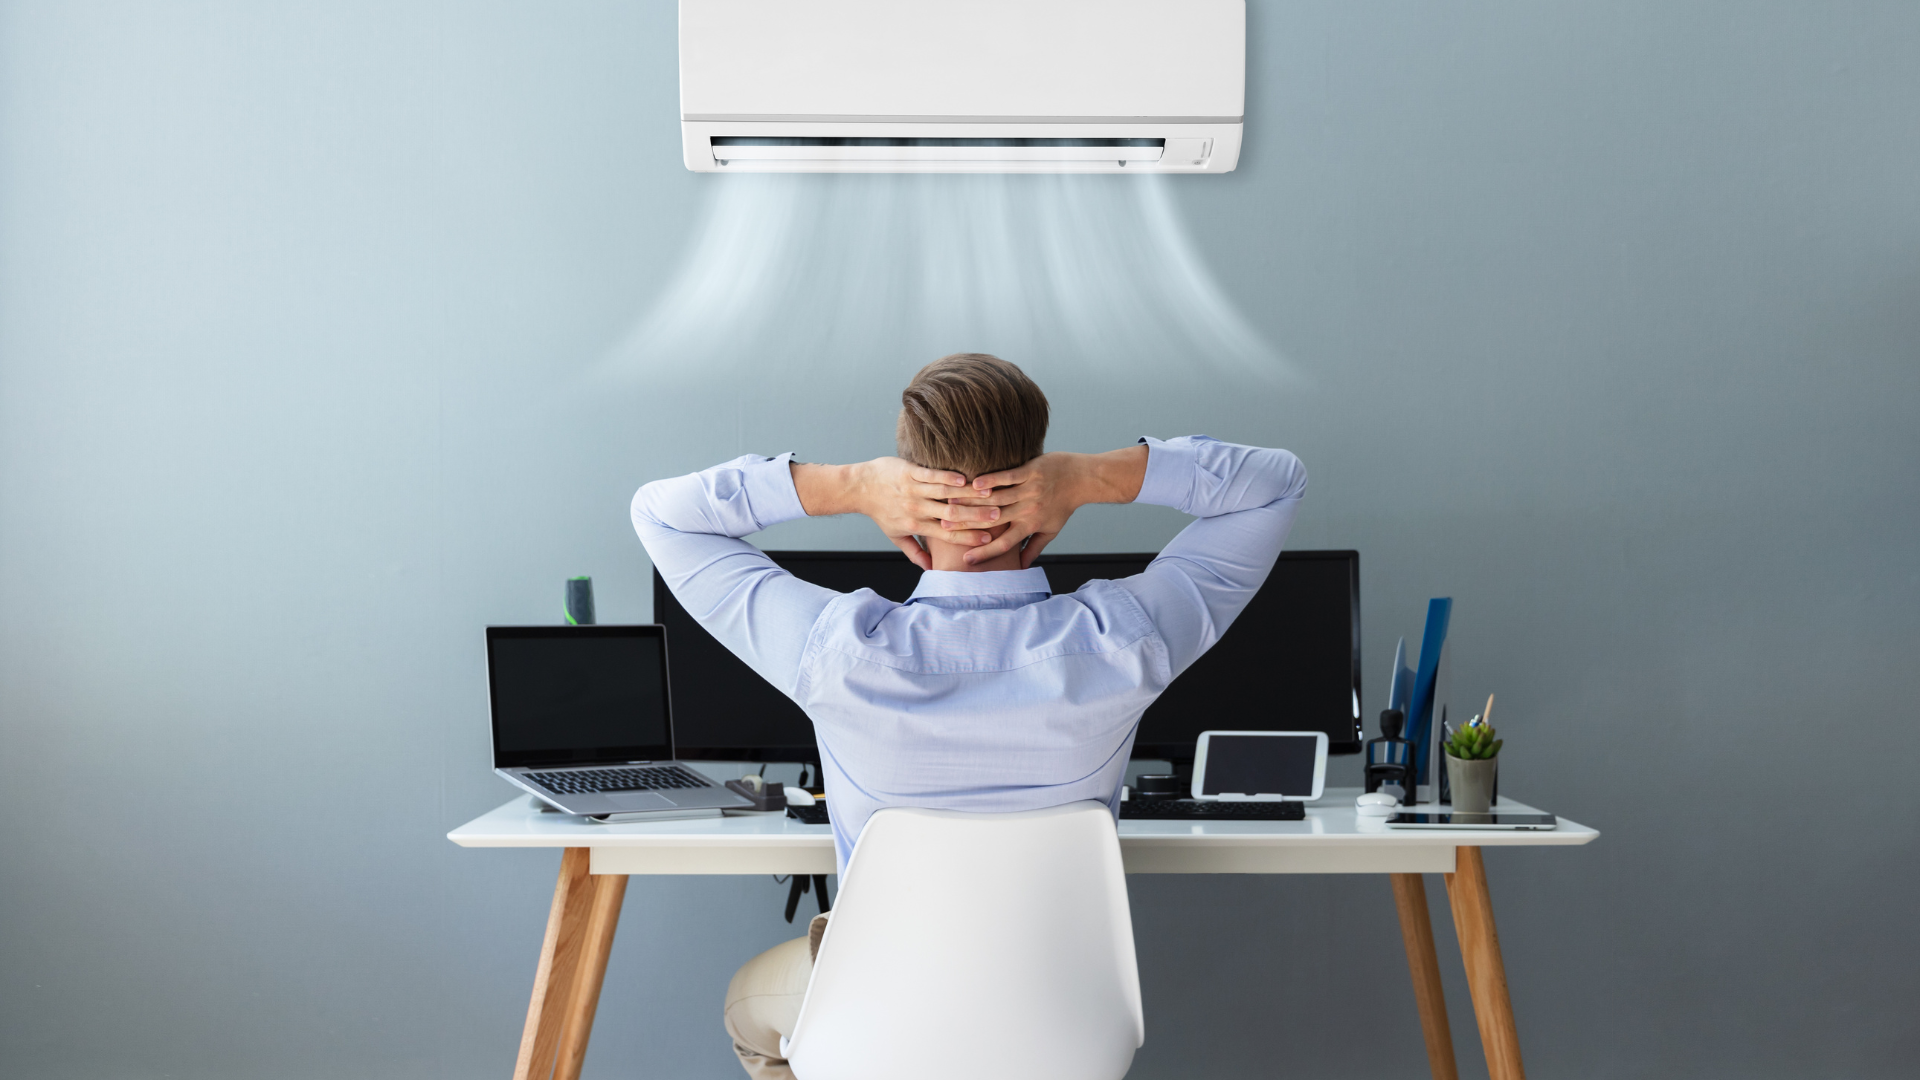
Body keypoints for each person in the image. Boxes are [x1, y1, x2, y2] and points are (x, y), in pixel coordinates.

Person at [630, 353, 1307, 1079]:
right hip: (1066, 1033)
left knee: (749, 1008)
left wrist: (853, 486)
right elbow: (1275, 486)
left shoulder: (837, 653)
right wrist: (1089, 478)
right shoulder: (1124, 639)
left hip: (879, 1027)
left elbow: (662, 515)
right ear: (1039, 482)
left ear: (909, 481)